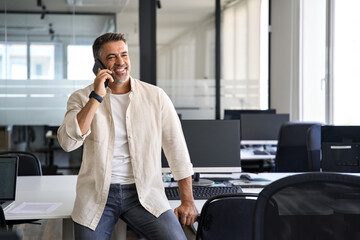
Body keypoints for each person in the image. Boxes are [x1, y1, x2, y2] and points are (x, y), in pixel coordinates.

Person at [57, 32, 198, 239]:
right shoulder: (80, 98)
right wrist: (96, 97)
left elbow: (176, 149)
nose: (120, 62)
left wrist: (188, 200)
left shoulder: (155, 96)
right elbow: (68, 143)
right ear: (98, 63)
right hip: (97, 195)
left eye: (124, 54)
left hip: (144, 194)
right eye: (112, 57)